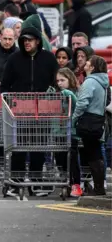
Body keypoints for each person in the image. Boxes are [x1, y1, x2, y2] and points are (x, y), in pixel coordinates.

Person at [0, 20, 59, 194]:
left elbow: (56, 83)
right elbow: (4, 86)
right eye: (24, 39)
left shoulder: (49, 58)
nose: (27, 42)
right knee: (18, 148)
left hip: (42, 111)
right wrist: (10, 103)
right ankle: (16, 183)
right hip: (19, 112)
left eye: (30, 39)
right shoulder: (14, 59)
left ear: (38, 41)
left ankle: (36, 183)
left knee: (38, 149)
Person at [72, 55, 109, 196]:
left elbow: (82, 103)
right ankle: (99, 186)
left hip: (88, 120)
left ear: (92, 67)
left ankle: (98, 189)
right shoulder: (102, 82)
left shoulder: (90, 82)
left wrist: (74, 119)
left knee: (92, 155)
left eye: (88, 62)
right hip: (98, 120)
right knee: (96, 154)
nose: (86, 63)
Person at [53, 68, 83, 197]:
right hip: (58, 132)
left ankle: (76, 184)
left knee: (72, 159)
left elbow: (77, 107)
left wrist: (69, 94)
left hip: (72, 132)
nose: (59, 83)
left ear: (70, 79)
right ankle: (66, 182)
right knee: (59, 158)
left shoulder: (73, 93)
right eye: (58, 81)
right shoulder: (58, 94)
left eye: (62, 80)